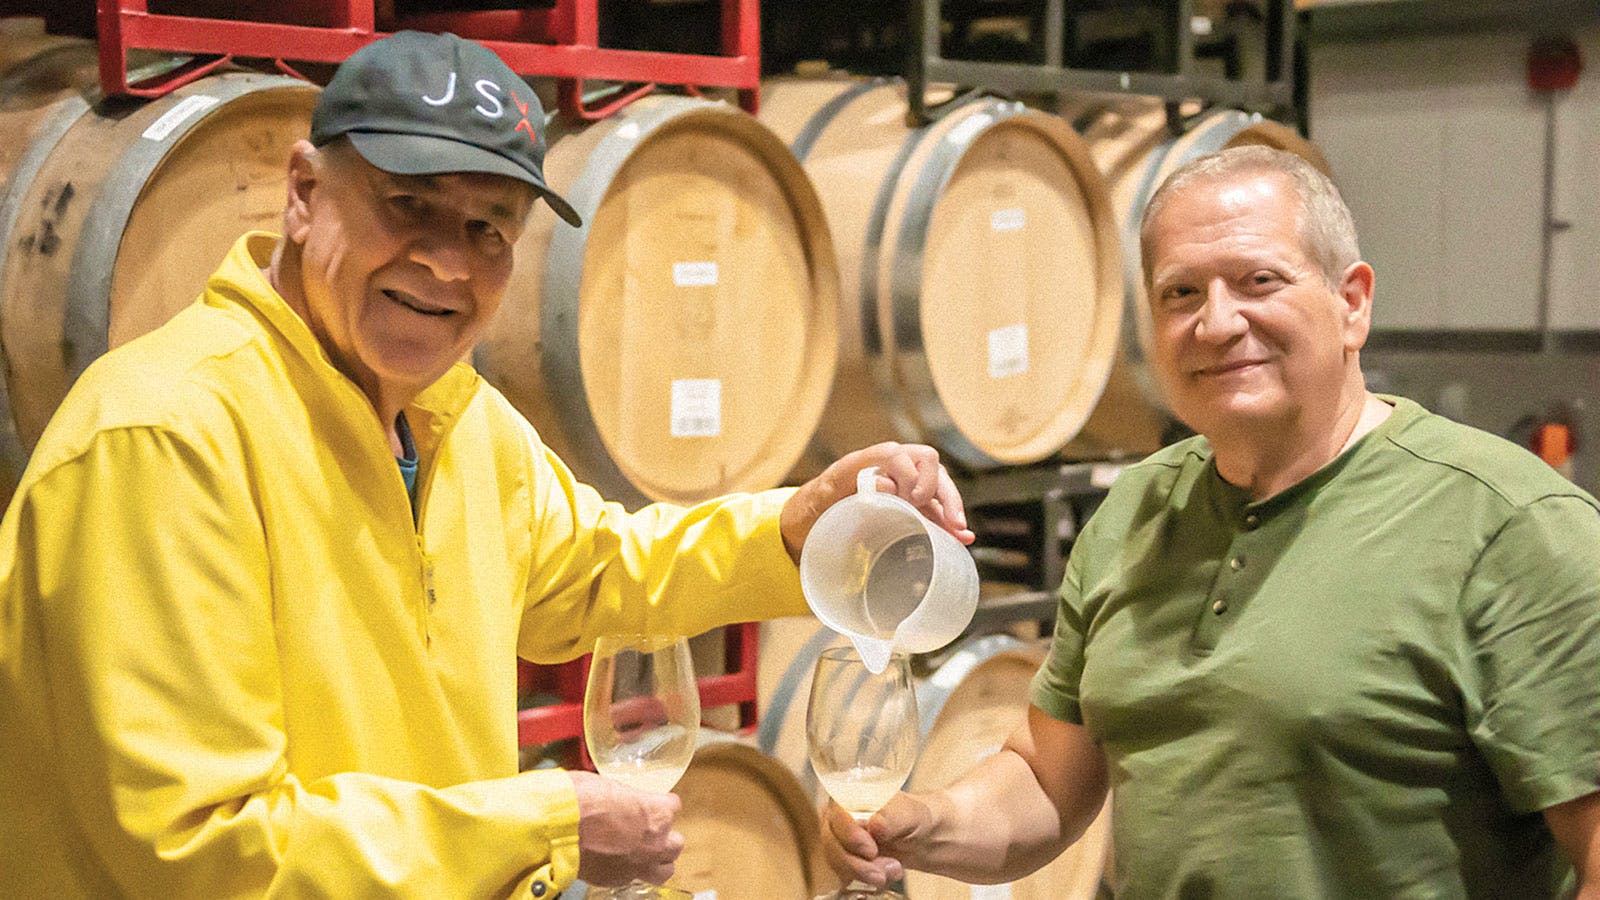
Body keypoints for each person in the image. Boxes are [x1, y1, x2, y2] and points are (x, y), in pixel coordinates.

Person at [0, 31, 974, 898]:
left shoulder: (456, 422)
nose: (448, 263)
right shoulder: (161, 440)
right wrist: (543, 828)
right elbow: (202, 852)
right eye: (407, 205)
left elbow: (597, 573)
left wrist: (796, 527)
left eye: (488, 227)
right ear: (303, 193)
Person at [822, 145, 1600, 896]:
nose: (1217, 323)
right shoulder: (1135, 512)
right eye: (1181, 294)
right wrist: (924, 822)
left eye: (1259, 281)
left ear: (1352, 302)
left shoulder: (1511, 527)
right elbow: (1046, 781)